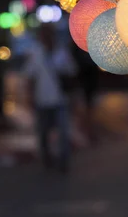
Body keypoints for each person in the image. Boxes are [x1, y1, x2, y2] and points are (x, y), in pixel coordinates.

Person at [24, 23, 77, 173]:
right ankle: (47, 159)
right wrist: (30, 98)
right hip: (42, 100)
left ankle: (63, 162)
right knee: (43, 133)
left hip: (60, 100)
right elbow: (30, 78)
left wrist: (73, 98)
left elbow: (71, 74)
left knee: (63, 132)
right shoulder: (35, 53)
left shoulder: (61, 53)